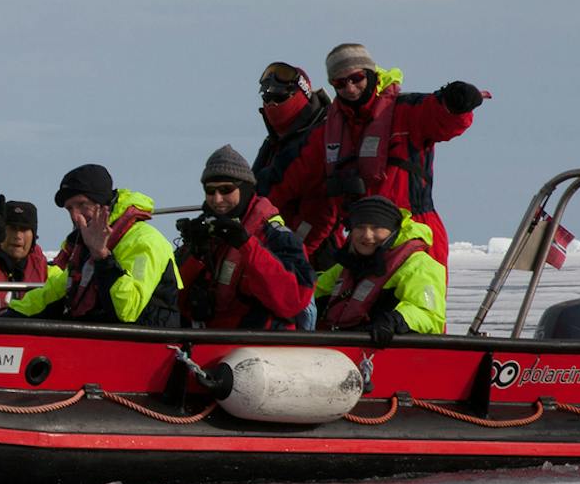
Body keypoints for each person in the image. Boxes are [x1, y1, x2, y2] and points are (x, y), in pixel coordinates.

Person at [269, 42, 485, 266]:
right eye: (340, 83)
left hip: (416, 237)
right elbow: (287, 179)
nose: (350, 88)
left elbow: (441, 118)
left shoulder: (407, 111)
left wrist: (456, 103)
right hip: (363, 241)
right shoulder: (327, 131)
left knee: (415, 301)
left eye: (357, 78)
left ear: (370, 73)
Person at [7, 164, 182, 325]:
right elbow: (52, 294)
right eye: (69, 209)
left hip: (146, 347)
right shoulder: (85, 246)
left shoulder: (145, 241)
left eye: (82, 205)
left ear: (104, 204)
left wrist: (103, 257)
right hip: (98, 342)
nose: (76, 216)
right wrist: (8, 317)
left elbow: (127, 309)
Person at [174, 145, 316, 330]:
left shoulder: (277, 237)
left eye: (226, 189)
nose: (217, 199)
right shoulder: (207, 234)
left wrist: (245, 244)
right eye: (210, 191)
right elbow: (175, 300)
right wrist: (194, 255)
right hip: (209, 342)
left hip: (259, 348)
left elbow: (294, 300)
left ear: (246, 189)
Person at [314, 196, 447, 341]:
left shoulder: (420, 265)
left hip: (389, 353)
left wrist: (394, 321)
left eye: (376, 228)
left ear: (393, 231)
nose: (367, 235)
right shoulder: (347, 266)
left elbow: (429, 315)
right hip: (344, 349)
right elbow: (314, 291)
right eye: (359, 227)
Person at [249, 61, 333, 259]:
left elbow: (322, 212)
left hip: (316, 257)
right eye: (268, 98)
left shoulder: (318, 139)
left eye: (279, 97)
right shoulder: (274, 143)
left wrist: (296, 252)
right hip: (275, 244)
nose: (273, 105)